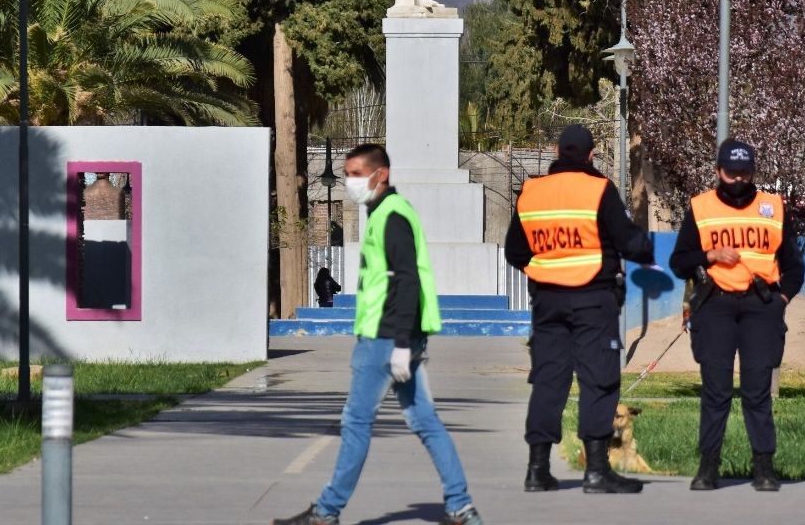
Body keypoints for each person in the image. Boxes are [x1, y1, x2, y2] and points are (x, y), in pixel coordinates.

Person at [273, 144, 483, 525]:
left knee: (356, 423)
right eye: (347, 173)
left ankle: (326, 512)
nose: (349, 181)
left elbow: (407, 281)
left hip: (385, 340)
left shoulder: (391, 216)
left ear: (380, 174)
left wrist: (400, 344)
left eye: (355, 173)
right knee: (424, 420)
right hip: (398, 338)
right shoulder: (386, 213)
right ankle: (461, 506)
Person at [504, 124, 655, 494]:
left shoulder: (532, 192)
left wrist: (547, 269)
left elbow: (515, 252)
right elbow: (627, 241)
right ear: (590, 155)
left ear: (557, 151)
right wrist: (643, 246)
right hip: (593, 300)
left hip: (547, 302)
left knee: (548, 380)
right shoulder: (598, 189)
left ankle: (537, 470)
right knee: (598, 379)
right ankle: (597, 471)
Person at [668, 139, 805, 492]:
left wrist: (781, 300)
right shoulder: (701, 207)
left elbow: (793, 265)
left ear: (753, 172)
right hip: (716, 306)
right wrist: (710, 256)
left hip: (761, 307)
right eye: (731, 172)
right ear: (718, 171)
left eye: (745, 172)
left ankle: (764, 468)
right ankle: (708, 468)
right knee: (716, 392)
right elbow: (679, 262)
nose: (738, 179)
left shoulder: (773, 207)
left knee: (757, 392)